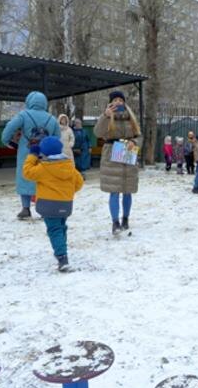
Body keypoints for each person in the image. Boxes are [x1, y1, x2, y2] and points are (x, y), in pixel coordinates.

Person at [22, 136, 84, 271]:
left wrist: (32, 155)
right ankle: (61, 248)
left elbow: (27, 172)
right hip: (66, 204)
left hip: (48, 205)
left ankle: (62, 257)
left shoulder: (43, 168)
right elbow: (79, 183)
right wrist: (68, 192)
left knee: (54, 230)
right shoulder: (70, 167)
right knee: (61, 227)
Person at [2, 91, 60, 219]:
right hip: (45, 154)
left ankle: (25, 208)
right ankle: (44, 209)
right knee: (44, 178)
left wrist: (6, 141)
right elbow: (57, 137)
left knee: (25, 177)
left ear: (29, 101)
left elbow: (9, 128)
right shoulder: (52, 118)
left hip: (26, 152)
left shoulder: (24, 115)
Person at [93, 90, 142, 234]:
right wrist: (105, 116)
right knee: (114, 191)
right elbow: (97, 133)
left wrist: (134, 141)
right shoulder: (107, 116)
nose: (118, 102)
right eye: (115, 100)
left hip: (128, 152)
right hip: (111, 154)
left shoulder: (131, 118)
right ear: (111, 103)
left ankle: (125, 218)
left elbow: (139, 135)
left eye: (121, 100)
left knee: (128, 190)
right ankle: (115, 222)